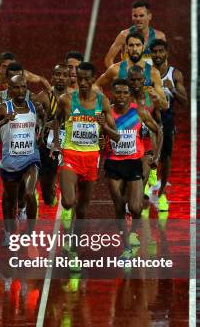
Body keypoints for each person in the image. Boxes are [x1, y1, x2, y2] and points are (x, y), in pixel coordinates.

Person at [52, 62, 120, 241]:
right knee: (68, 202)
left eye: (86, 79)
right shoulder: (66, 100)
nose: (82, 82)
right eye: (79, 78)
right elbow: (56, 120)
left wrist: (103, 125)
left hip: (91, 159)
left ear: (93, 79)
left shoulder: (102, 101)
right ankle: (66, 193)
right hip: (70, 156)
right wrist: (57, 144)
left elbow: (116, 135)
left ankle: (74, 244)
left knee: (81, 210)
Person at [0, 75, 45, 243]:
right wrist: (2, 122)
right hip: (10, 161)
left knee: (30, 193)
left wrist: (41, 136)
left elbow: (45, 119)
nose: (21, 91)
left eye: (24, 87)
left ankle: (30, 232)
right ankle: (9, 231)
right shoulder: (3, 109)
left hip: (30, 158)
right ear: (9, 90)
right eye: (16, 88)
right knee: (10, 198)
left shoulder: (34, 107)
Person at [104, 78, 162, 259]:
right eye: (118, 93)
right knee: (119, 206)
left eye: (125, 93)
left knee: (136, 208)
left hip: (134, 163)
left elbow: (158, 131)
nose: (121, 97)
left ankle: (133, 232)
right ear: (112, 94)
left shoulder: (140, 112)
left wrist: (156, 156)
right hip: (113, 163)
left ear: (131, 95)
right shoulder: (107, 113)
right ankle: (126, 247)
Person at [149, 39, 187, 211]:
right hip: (147, 118)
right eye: (154, 52)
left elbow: (185, 101)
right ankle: (143, 186)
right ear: (151, 54)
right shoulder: (146, 73)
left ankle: (162, 192)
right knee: (145, 154)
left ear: (166, 53)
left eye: (160, 51)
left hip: (166, 119)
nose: (158, 55)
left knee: (166, 157)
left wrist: (172, 90)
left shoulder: (175, 74)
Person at [95, 31, 169, 110]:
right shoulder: (115, 69)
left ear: (143, 47)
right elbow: (96, 86)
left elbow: (165, 106)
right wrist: (102, 104)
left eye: (138, 45)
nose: (134, 49)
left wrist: (156, 97)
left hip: (145, 119)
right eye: (131, 45)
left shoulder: (153, 72)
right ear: (126, 48)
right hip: (122, 119)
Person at [126, 65, 164, 200]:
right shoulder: (123, 99)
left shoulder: (153, 98)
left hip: (147, 144)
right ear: (127, 80)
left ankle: (136, 201)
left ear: (144, 80)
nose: (135, 83)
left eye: (138, 80)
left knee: (141, 177)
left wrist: (157, 154)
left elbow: (159, 123)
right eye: (132, 80)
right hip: (129, 143)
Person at [36, 64, 70, 207]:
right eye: (57, 74)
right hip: (48, 148)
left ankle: (68, 207)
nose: (60, 78)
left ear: (69, 78)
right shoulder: (43, 97)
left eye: (64, 75)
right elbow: (33, 122)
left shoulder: (73, 97)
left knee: (71, 183)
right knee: (48, 197)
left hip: (68, 146)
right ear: (52, 77)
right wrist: (45, 126)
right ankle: (50, 190)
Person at [104, 0, 166, 68]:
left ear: (149, 16)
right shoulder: (124, 35)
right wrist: (119, 75)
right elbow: (108, 59)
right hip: (128, 78)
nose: (138, 19)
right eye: (135, 16)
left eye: (141, 16)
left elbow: (164, 61)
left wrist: (157, 77)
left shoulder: (159, 37)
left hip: (149, 77)